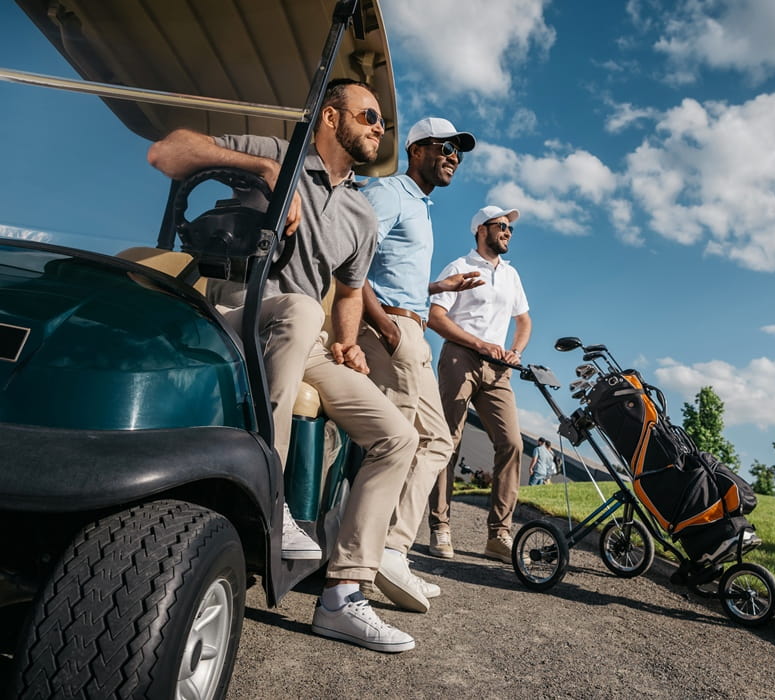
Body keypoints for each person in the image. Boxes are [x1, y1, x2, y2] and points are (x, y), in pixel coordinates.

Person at [147, 79, 419, 653]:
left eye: (382, 124)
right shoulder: (274, 153)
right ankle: (270, 499)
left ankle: (344, 596)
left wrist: (347, 344)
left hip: (306, 338)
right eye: (369, 116)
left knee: (397, 434)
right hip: (230, 307)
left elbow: (347, 293)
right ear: (329, 116)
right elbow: (166, 153)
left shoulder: (362, 215)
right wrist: (263, 171)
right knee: (296, 308)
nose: (379, 128)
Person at [358, 116, 480, 612]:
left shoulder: (421, 207)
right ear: (416, 149)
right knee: (406, 442)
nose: (454, 155)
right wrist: (385, 328)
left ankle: (391, 550)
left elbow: (395, 271)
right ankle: (371, 559)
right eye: (445, 146)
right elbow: (350, 262)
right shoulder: (387, 193)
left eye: (459, 150)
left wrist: (436, 289)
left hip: (410, 326)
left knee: (436, 440)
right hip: (391, 330)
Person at [427, 205, 532, 562]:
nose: (507, 232)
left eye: (510, 228)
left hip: (498, 367)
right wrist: (478, 344)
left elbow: (524, 320)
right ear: (480, 230)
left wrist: (514, 350)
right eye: (501, 225)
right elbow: (435, 317)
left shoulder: (511, 275)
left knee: (512, 443)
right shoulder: (459, 267)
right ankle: (440, 526)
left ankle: (498, 534)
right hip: (461, 357)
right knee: (448, 440)